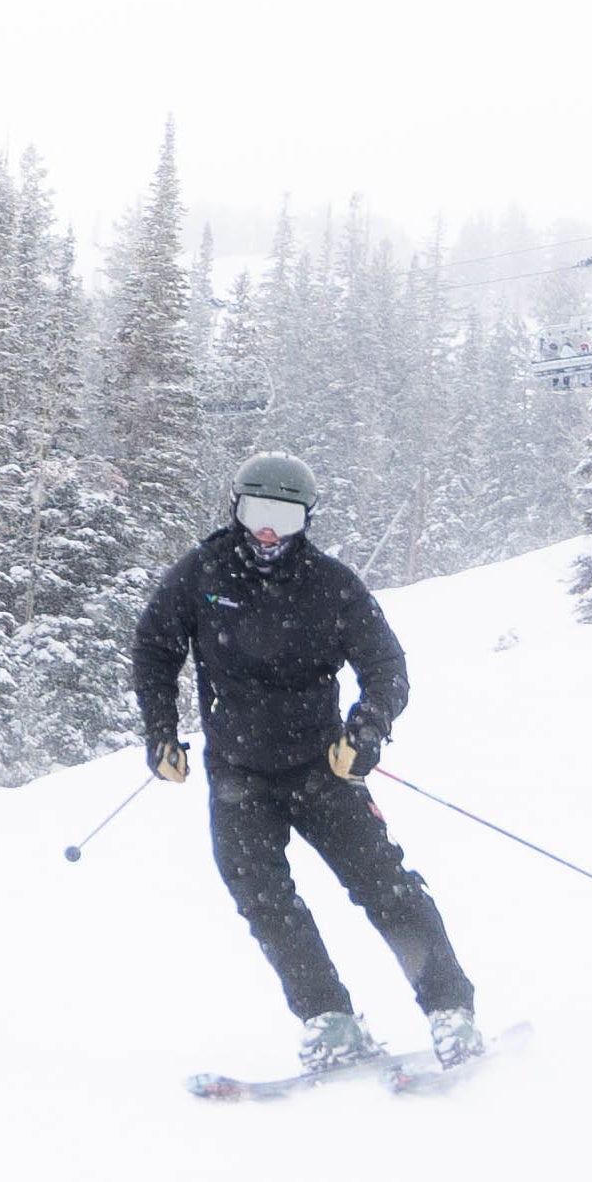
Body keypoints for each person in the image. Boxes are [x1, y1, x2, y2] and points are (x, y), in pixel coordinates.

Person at [131, 450, 483, 1074]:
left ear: (306, 521)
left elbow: (386, 667)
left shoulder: (331, 585)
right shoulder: (202, 572)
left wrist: (367, 730)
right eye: (257, 513)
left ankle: (450, 1010)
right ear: (236, 509)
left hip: (323, 768)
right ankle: (329, 1019)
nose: (269, 532)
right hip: (238, 774)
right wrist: (161, 732)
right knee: (262, 898)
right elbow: (154, 649)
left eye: (285, 518)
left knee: (384, 885)